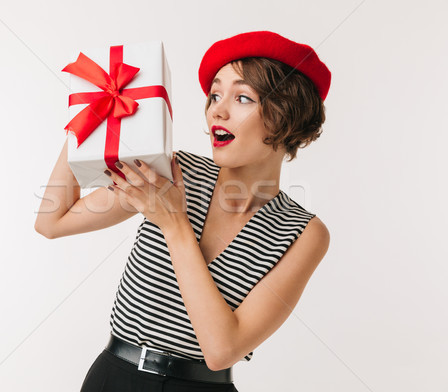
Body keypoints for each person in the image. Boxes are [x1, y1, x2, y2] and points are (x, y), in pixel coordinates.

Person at [35, 30, 331, 392]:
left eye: (242, 97)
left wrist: (174, 222)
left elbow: (222, 350)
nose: (217, 110)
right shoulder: (175, 171)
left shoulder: (303, 232)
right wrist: (94, 112)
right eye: (215, 95)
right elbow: (52, 221)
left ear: (289, 116)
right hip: (113, 379)